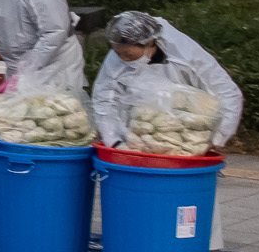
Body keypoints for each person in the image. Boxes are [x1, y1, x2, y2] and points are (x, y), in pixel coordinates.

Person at [91, 10, 243, 150]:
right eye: (118, 53)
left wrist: (215, 138)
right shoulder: (118, 55)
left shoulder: (187, 56)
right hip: (139, 132)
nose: (123, 59)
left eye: (129, 55)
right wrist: (115, 141)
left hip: (184, 133)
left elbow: (227, 92)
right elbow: (105, 99)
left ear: (149, 43)